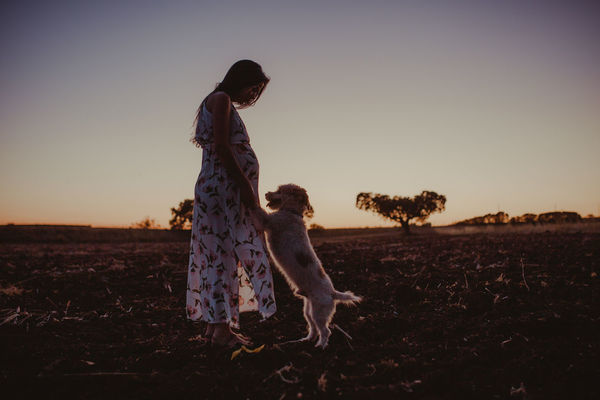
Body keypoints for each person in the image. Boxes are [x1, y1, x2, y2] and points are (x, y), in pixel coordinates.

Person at [186, 60, 276, 347]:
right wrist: (248, 194)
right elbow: (224, 148)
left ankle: (216, 328)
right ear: (241, 80)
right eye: (253, 88)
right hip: (224, 191)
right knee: (221, 259)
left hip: (218, 189)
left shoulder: (215, 101)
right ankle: (222, 331)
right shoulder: (221, 99)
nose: (253, 96)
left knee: (217, 258)